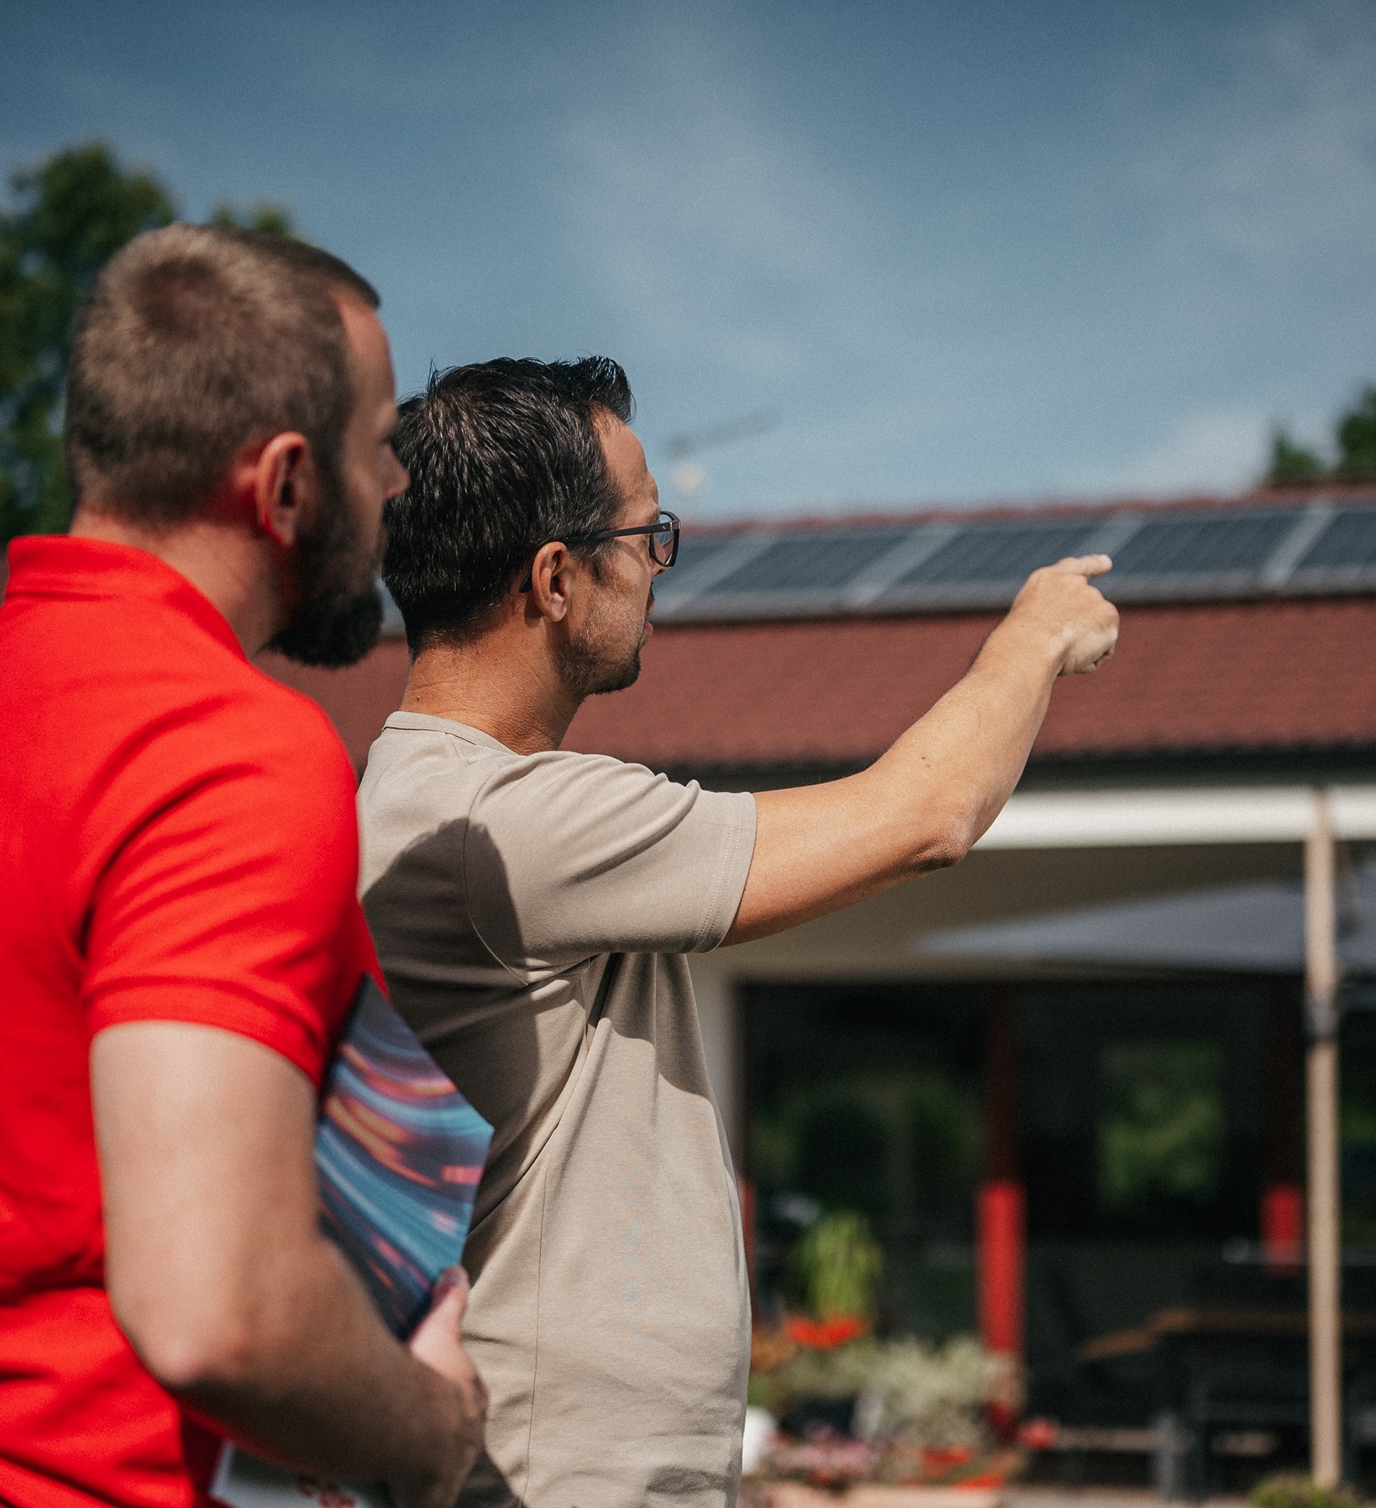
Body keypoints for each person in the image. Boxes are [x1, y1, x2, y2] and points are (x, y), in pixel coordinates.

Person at [0, 224, 486, 1508]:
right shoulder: (222, 746)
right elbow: (216, 1312)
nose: (394, 482)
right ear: (284, 483)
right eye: (377, 442)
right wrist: (434, 1425)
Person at [360, 357, 1119, 1508]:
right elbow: (922, 815)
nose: (660, 566)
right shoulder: (501, 819)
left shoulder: (429, 800)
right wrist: (1033, 634)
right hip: (555, 1474)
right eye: (645, 532)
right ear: (556, 577)